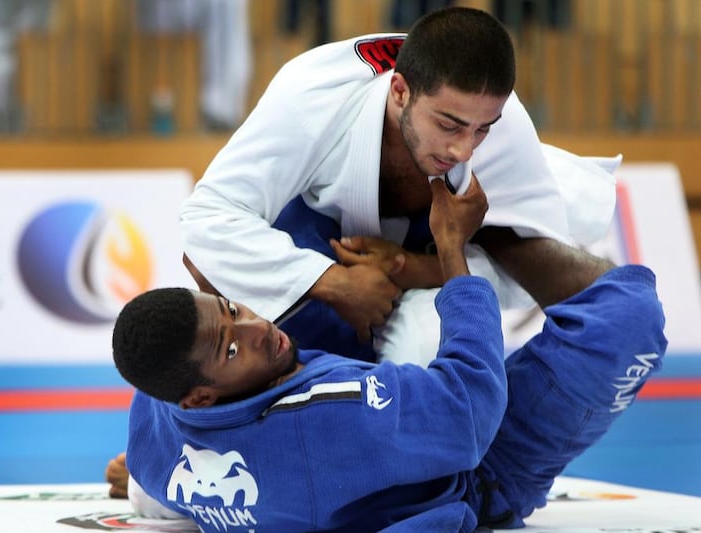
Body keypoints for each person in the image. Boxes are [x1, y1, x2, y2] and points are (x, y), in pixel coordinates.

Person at [110, 176, 667, 532]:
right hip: (473, 464)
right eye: (231, 345)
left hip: (348, 426)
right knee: (631, 316)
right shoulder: (329, 416)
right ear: (201, 395)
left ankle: (405, 253)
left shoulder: (156, 434)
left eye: (231, 307)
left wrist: (138, 479)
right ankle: (496, 234)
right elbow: (469, 408)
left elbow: (153, 487)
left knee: (299, 201)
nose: (257, 325)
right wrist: (454, 249)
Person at [178, 5, 619, 363]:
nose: (465, 149)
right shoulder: (311, 94)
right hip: (306, 241)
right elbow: (205, 219)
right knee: (208, 301)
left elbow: (525, 282)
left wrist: (410, 268)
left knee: (433, 348)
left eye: (481, 130)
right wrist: (332, 281)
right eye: (450, 125)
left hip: (433, 266)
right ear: (401, 92)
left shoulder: (505, 130)